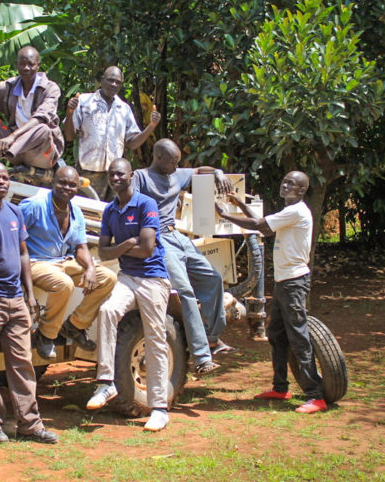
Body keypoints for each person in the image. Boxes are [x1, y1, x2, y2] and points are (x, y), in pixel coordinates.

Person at [214, 171, 327, 414]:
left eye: (292, 184)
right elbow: (265, 226)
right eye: (284, 181)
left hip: (294, 283)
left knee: (298, 337)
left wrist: (225, 214)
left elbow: (259, 226)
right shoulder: (290, 212)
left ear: (301, 190)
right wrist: (241, 204)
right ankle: (280, 388)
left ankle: (316, 396)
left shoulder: (297, 211)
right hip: (285, 282)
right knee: (277, 335)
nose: (285, 185)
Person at [0, 161, 59, 445]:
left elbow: (23, 255)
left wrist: (29, 294)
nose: (2, 183)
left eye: (5, 178)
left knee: (22, 362)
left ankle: (30, 425)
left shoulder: (15, 212)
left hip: (16, 299)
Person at [132, 138, 233, 376]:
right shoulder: (141, 177)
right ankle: (201, 358)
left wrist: (217, 172)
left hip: (178, 237)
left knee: (213, 278)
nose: (176, 167)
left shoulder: (176, 175)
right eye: (172, 162)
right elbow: (130, 203)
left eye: (178, 162)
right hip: (158, 239)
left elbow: (199, 171)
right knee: (185, 292)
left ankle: (211, 338)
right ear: (158, 158)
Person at [87, 158, 172, 432]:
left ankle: (159, 409)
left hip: (153, 279)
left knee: (155, 338)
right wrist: (127, 243)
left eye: (120, 174)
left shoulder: (146, 204)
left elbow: (147, 249)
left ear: (131, 176)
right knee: (107, 311)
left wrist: (117, 248)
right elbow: (102, 252)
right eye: (112, 174)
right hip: (127, 277)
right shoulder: (110, 211)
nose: (115, 178)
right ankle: (106, 383)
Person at [18, 166, 117, 359]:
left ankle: (74, 326)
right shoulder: (33, 206)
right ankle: (46, 336)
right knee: (64, 284)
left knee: (107, 277)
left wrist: (89, 268)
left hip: (64, 261)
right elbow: (13, 239)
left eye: (72, 185)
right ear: (53, 182)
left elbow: (80, 247)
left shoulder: (75, 212)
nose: (67, 188)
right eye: (62, 183)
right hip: (36, 262)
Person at [63, 66, 160, 200]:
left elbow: (132, 143)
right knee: (88, 212)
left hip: (115, 177)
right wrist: (69, 113)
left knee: (111, 215)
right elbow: (69, 136)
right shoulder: (85, 102)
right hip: (89, 172)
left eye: (118, 82)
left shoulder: (124, 108)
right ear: (102, 80)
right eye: (110, 80)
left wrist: (151, 126)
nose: (114, 84)